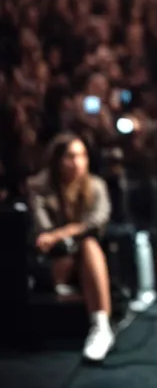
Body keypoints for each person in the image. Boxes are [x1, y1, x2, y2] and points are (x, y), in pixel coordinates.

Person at [26, 133, 115, 362]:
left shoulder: (96, 185)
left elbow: (98, 221)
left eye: (82, 156)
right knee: (77, 246)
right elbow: (42, 231)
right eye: (70, 156)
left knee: (89, 245)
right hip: (53, 259)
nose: (77, 163)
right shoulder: (38, 186)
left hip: (85, 255)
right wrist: (60, 237)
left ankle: (101, 327)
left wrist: (62, 233)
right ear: (57, 160)